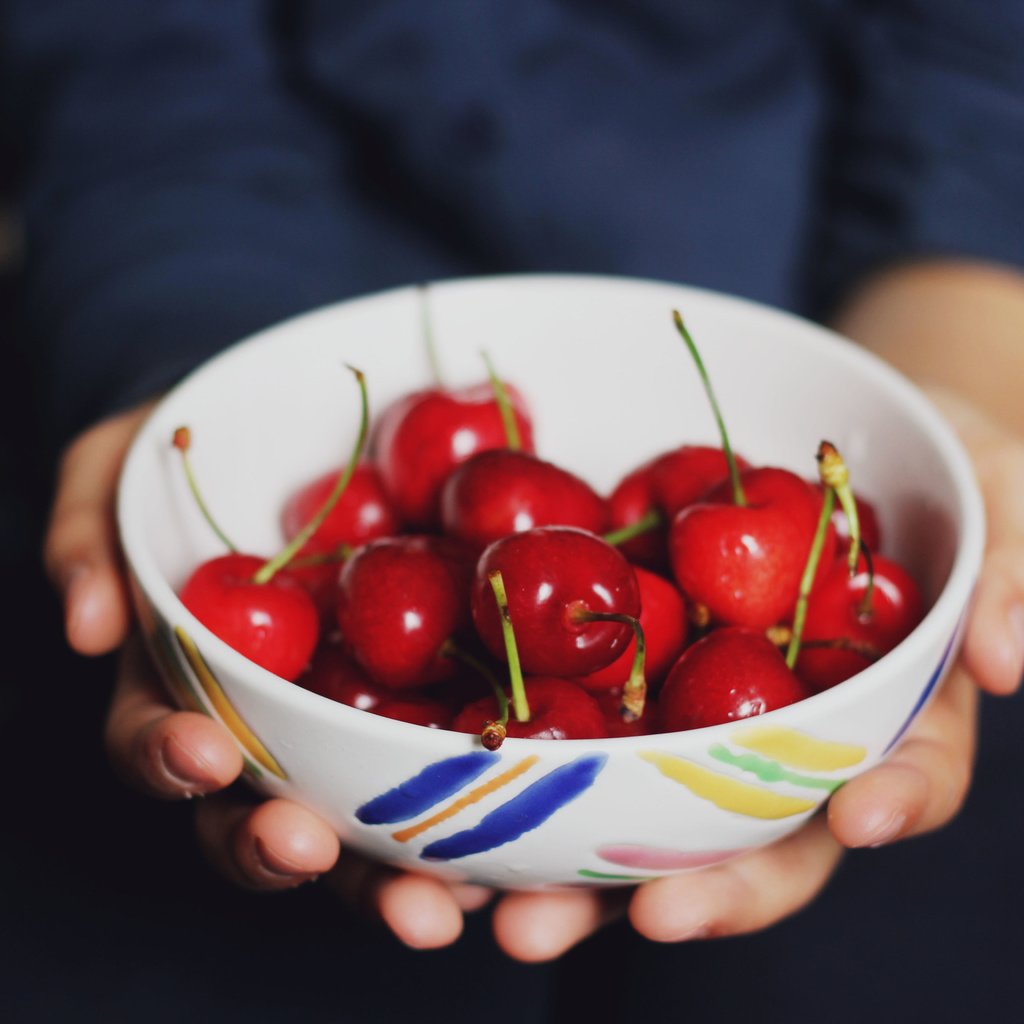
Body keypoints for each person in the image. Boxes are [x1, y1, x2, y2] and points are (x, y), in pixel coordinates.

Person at [6, 0, 1023, 990]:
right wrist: (178, 372)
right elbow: (137, 73)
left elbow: (982, 71)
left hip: (830, 288)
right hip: (262, 281)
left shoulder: (802, 579)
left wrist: (954, 378)